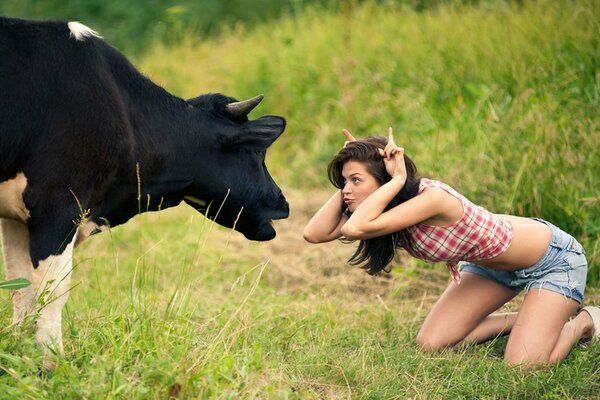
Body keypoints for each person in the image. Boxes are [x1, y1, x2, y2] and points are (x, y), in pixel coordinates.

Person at [303, 127, 600, 367]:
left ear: (385, 182)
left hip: (553, 262)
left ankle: (583, 321)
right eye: (345, 181)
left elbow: (354, 228)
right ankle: (528, 321)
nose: (347, 190)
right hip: (489, 268)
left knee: (523, 366)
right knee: (431, 343)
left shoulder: (432, 199)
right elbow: (314, 233)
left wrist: (395, 179)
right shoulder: (380, 207)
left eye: (356, 180)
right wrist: (354, 172)